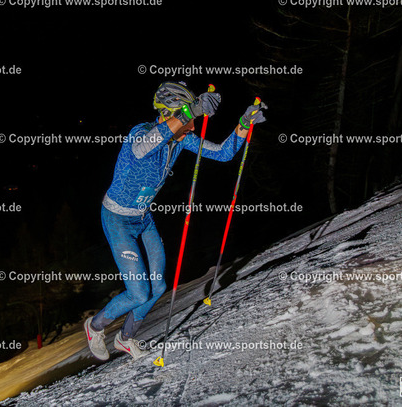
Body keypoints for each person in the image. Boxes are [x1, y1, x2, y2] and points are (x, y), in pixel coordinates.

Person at [84, 81, 267, 360]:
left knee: (158, 286)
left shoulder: (180, 140)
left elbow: (223, 153)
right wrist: (190, 111)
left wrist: (244, 124)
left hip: (143, 219)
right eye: (189, 120)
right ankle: (95, 327)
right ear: (170, 114)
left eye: (193, 120)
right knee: (139, 292)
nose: (192, 127)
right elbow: (144, 148)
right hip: (117, 219)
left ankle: (125, 338)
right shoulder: (140, 134)